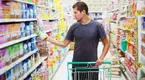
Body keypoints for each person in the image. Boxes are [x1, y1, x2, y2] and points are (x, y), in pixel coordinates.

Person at [43, 1, 110, 80]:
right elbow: (64, 44)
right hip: (77, 64)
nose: (74, 15)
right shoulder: (74, 27)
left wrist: (101, 58)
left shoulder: (97, 26)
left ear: (83, 12)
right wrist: (47, 38)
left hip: (92, 64)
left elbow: (106, 43)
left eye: (76, 12)